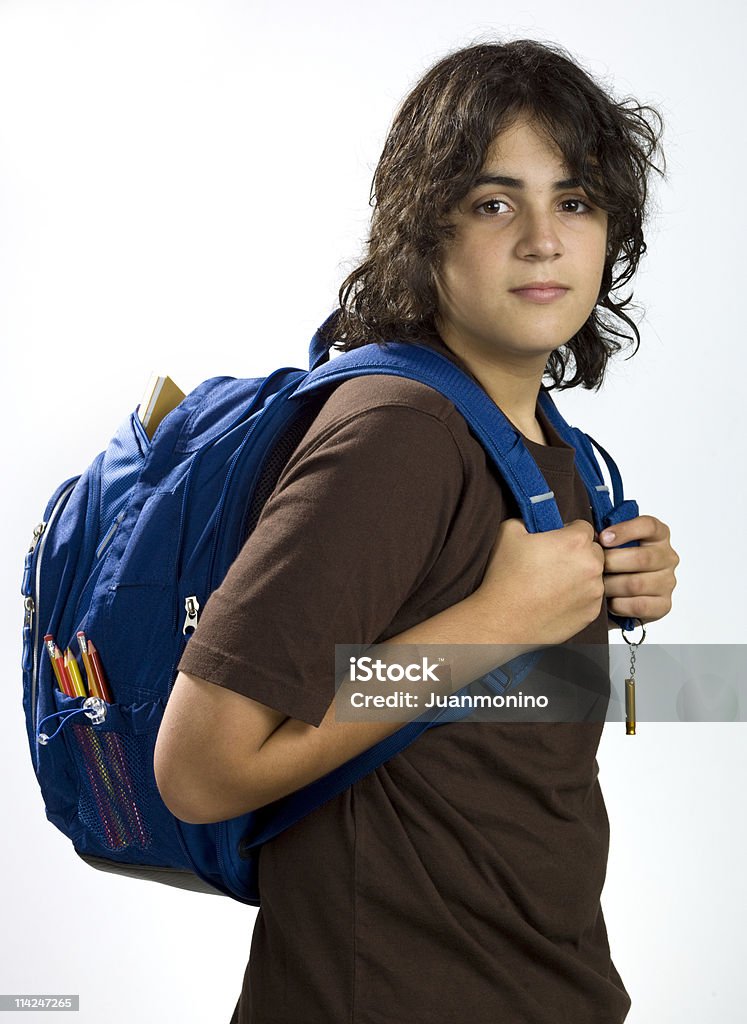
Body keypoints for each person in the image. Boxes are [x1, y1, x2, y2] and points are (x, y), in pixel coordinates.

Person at [154, 38, 679, 1023]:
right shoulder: (399, 432)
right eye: (493, 203)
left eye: (574, 201)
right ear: (423, 228)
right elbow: (199, 764)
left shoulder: (532, 431)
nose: (542, 239)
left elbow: (482, 719)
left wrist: (604, 589)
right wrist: (491, 625)